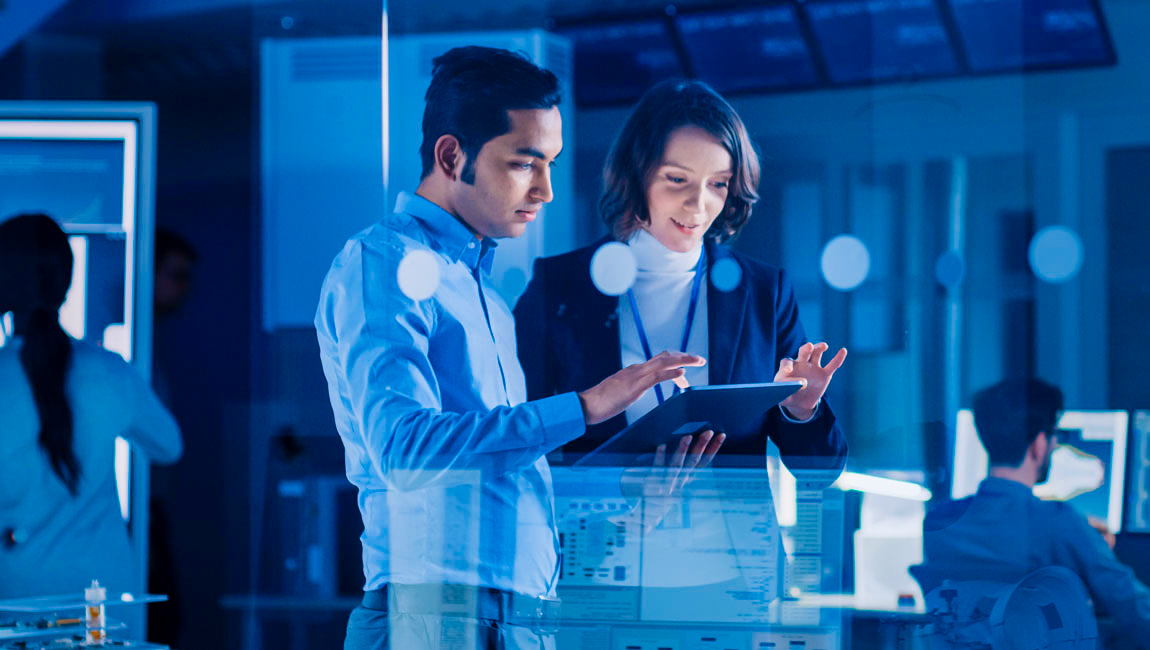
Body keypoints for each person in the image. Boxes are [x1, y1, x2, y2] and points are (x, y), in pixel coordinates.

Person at [315, 47, 708, 650]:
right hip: (436, 616)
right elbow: (405, 451)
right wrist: (587, 405)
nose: (546, 189)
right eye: (525, 164)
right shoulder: (383, 263)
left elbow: (502, 477)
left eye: (548, 163)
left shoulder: (487, 297)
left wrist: (629, 500)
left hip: (515, 618)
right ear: (452, 156)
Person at [513, 78, 848, 609]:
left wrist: (802, 410)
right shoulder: (562, 288)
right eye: (677, 180)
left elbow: (819, 472)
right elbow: (518, 447)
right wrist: (614, 495)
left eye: (718, 184)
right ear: (636, 175)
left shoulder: (763, 293)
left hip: (732, 586)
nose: (698, 205)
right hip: (601, 578)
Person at [0, 213, 183, 600]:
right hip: (100, 605)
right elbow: (168, 445)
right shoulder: (109, 372)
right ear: (65, 284)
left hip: (14, 599)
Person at [920, 379, 1150, 649]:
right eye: (1055, 436)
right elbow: (1134, 610)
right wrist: (1094, 550)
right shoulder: (1058, 523)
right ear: (1040, 443)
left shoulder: (939, 521)